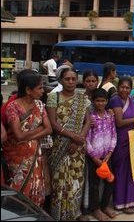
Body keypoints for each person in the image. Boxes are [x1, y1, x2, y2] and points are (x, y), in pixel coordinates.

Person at [46, 67, 91, 221]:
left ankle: (74, 213)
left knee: (76, 180)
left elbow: (88, 121)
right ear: (60, 80)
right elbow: (53, 124)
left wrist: (79, 141)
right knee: (59, 182)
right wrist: (73, 136)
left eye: (73, 79)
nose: (71, 82)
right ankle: (58, 216)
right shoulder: (53, 98)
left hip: (77, 149)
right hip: (59, 146)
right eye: (67, 79)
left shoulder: (83, 99)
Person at [3, 70, 52, 206]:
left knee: (36, 189)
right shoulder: (13, 107)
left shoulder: (40, 105)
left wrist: (28, 136)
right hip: (17, 157)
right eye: (40, 88)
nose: (43, 91)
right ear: (28, 90)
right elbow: (18, 136)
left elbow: (49, 129)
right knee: (18, 191)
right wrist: (39, 130)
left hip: (35, 155)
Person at [110, 77, 134, 213]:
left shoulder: (131, 100)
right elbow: (119, 122)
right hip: (121, 140)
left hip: (133, 140)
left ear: (131, 89)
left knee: (133, 170)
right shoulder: (115, 100)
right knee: (122, 171)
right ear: (118, 87)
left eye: (127, 87)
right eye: (122, 87)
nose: (125, 90)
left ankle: (133, 200)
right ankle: (121, 202)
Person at [86, 88, 117, 221]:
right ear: (93, 102)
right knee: (94, 184)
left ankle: (105, 206)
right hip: (94, 158)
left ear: (107, 101)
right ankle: (95, 209)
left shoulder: (110, 116)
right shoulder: (90, 118)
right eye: (98, 101)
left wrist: (110, 152)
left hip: (106, 156)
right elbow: (86, 138)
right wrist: (93, 157)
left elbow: (113, 134)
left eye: (103, 101)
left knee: (110, 181)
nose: (100, 103)